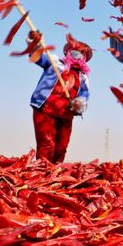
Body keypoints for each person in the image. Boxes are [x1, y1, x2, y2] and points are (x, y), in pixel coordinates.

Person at [29, 32, 91, 163]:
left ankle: (55, 177)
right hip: (46, 109)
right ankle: (42, 176)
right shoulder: (55, 62)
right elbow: (36, 57)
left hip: (66, 114)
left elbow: (84, 95)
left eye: (81, 52)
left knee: (61, 148)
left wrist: (79, 103)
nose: (78, 54)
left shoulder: (83, 77)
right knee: (47, 144)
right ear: (68, 51)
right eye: (75, 50)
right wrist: (34, 43)